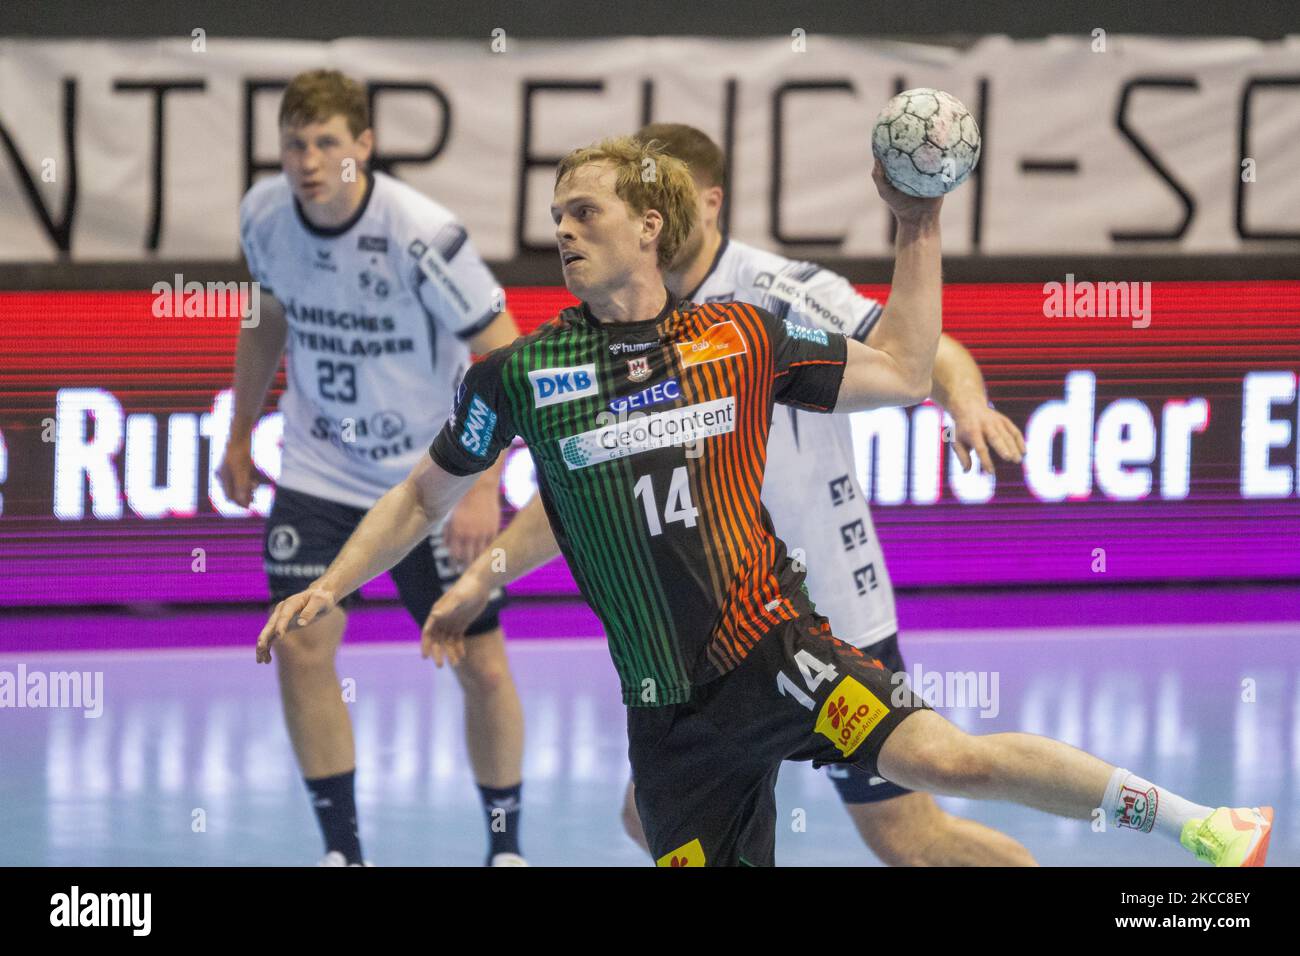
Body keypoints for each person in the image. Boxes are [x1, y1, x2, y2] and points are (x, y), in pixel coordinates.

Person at [257, 134, 1273, 868]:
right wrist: (333, 584)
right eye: (557, 213)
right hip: (668, 719)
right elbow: (424, 494)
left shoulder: (739, 335)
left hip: (776, 651)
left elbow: (908, 364)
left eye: (585, 211)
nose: (561, 229)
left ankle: (1193, 824)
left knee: (943, 760)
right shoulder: (524, 374)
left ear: (650, 226)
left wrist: (915, 223)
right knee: (679, 827)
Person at [427, 122, 1034, 866]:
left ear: (699, 204)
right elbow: (588, 499)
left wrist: (964, 402)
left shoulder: (770, 295)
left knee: (910, 837)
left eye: (666, 193)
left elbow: (920, 355)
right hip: (711, 644)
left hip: (818, 610)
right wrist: (483, 578)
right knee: (647, 818)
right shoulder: (616, 327)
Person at [221, 69, 528, 866]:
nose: (310, 161)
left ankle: (506, 848)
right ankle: (343, 852)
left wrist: (482, 482)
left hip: (426, 480)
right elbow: (267, 321)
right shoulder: (263, 215)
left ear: (364, 146)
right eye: (295, 144)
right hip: (318, 469)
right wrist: (238, 433)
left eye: (328, 142)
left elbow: (503, 352)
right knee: (299, 644)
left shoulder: (421, 231)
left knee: (478, 660)